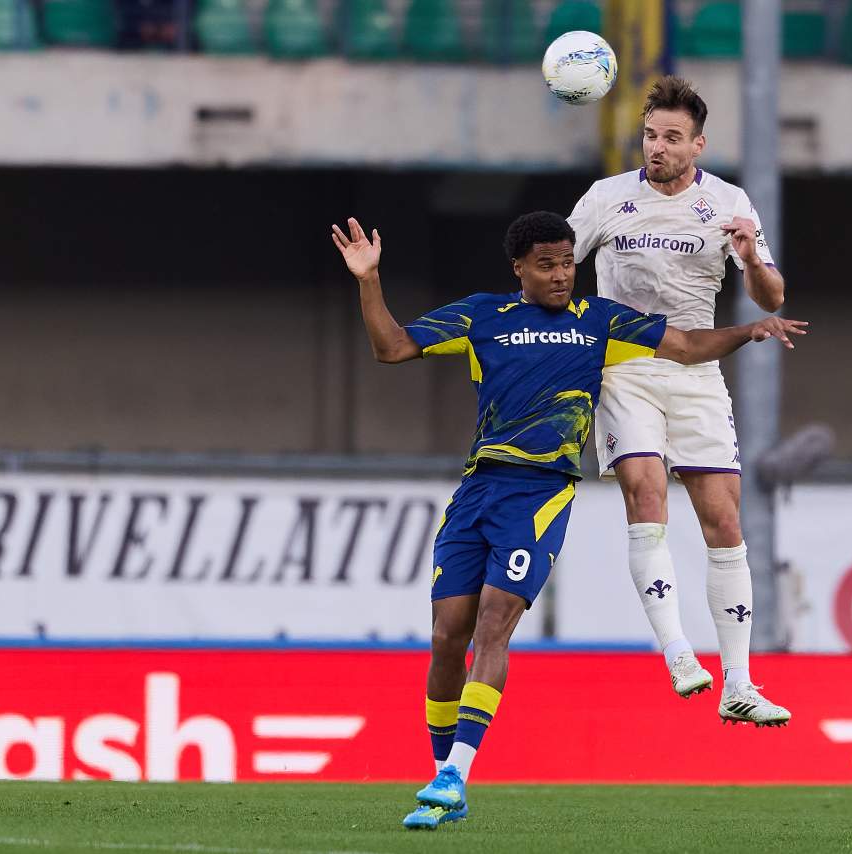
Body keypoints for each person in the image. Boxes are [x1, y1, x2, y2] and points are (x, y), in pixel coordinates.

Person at [329, 212, 807, 830]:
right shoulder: (482, 316)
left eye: (566, 263)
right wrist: (369, 280)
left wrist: (750, 330)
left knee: (493, 625)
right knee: (447, 636)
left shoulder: (599, 320)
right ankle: (444, 775)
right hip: (478, 490)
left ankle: (455, 775)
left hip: (541, 493)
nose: (561, 275)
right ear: (519, 269)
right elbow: (390, 347)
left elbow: (687, 346)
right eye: (547, 265)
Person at [566, 75, 793, 726]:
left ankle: (739, 683)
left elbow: (773, 296)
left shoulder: (727, 202)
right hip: (625, 367)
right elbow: (555, 266)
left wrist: (751, 259)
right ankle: (676, 652)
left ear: (698, 145)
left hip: (696, 370)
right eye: (649, 135)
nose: (657, 147)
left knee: (724, 522)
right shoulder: (606, 198)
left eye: (671, 137)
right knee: (646, 494)